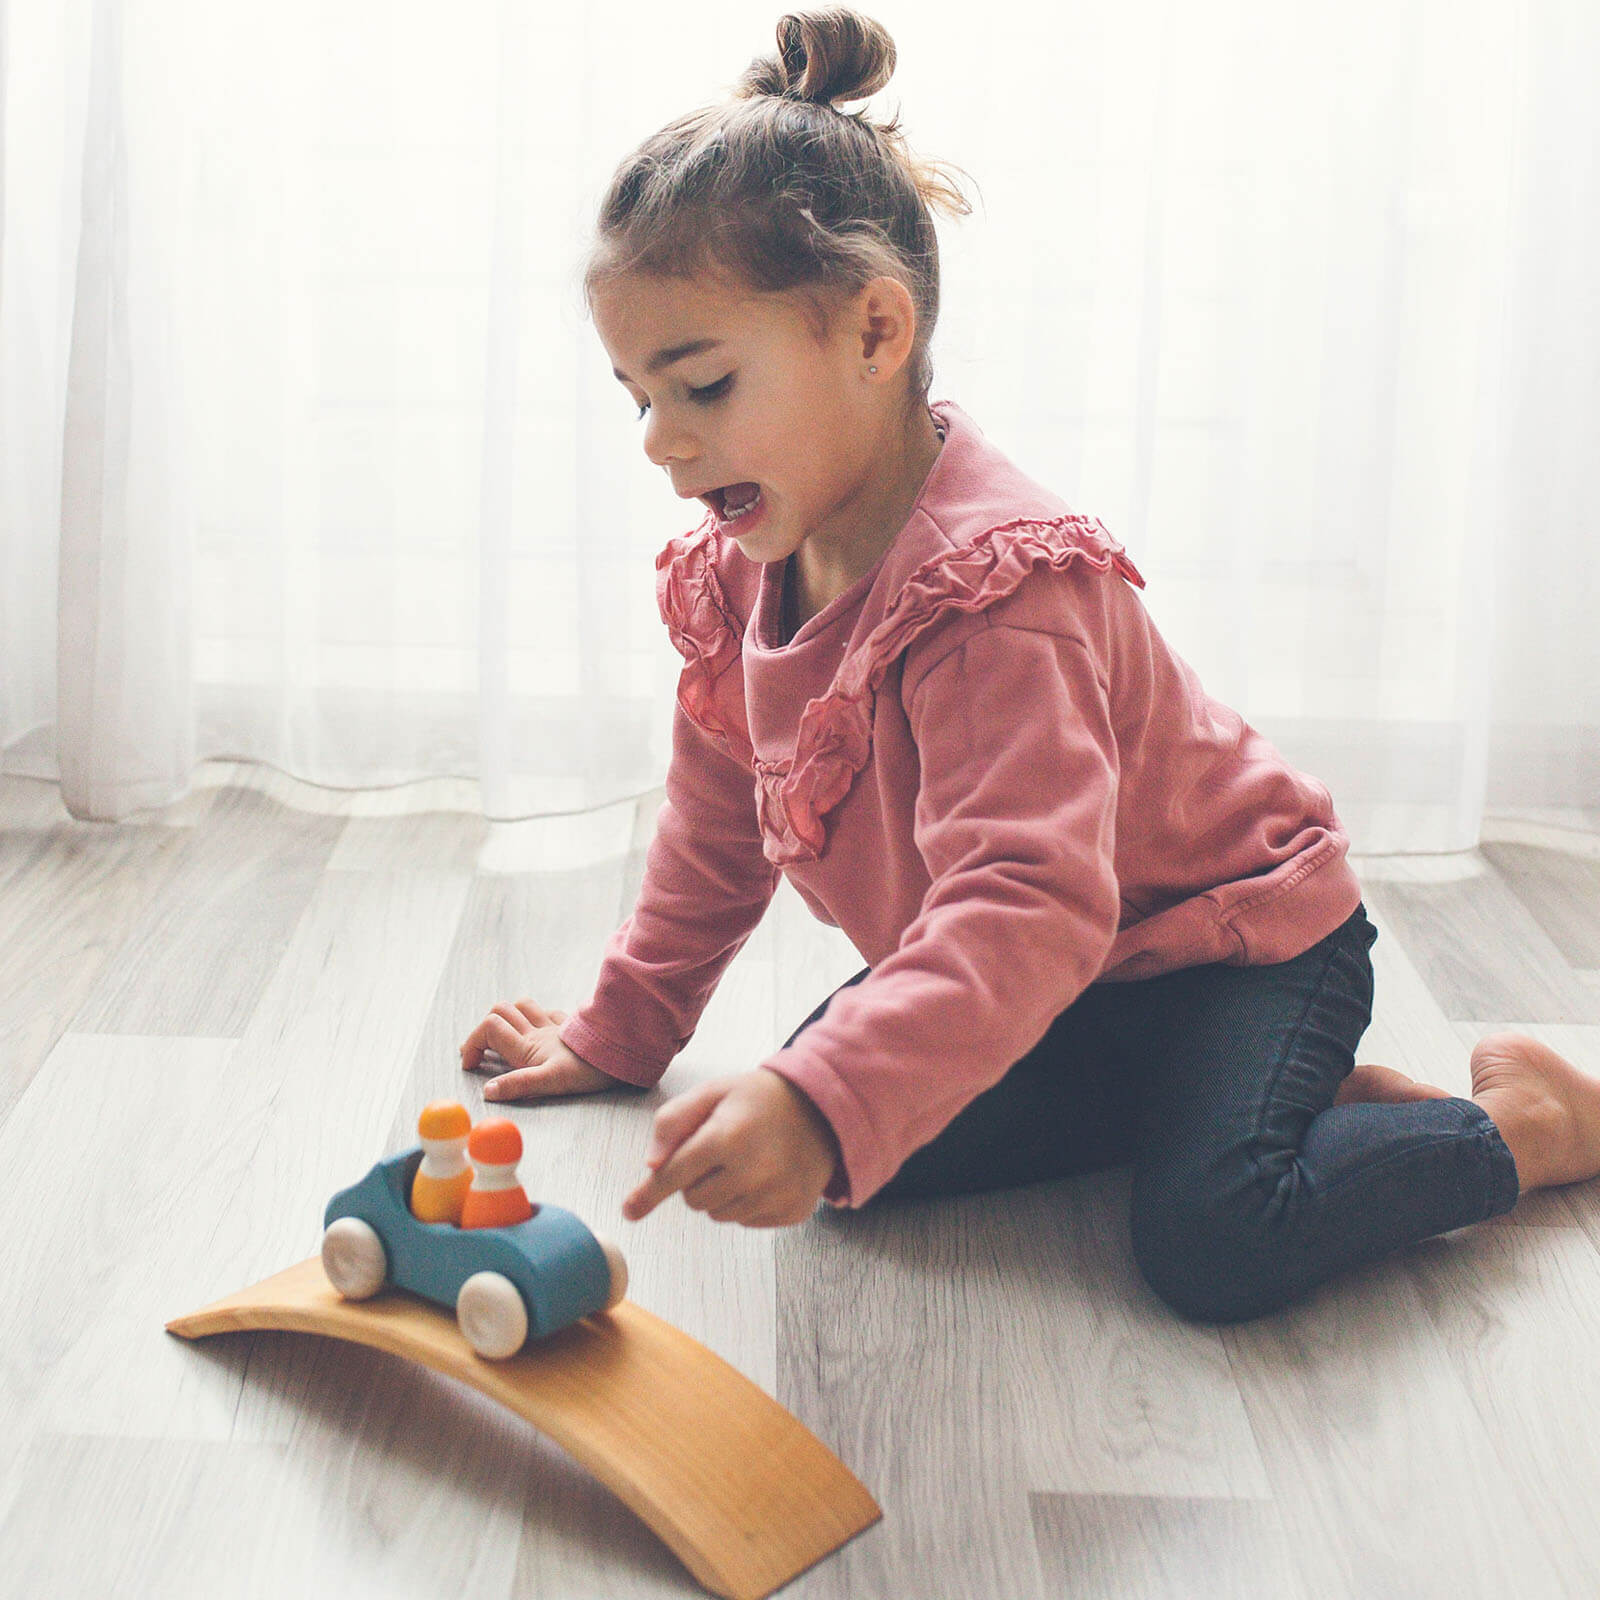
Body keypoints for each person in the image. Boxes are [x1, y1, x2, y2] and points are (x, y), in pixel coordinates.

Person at [458, 8, 1600, 1323]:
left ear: (877, 334)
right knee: (849, 1154)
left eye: (703, 385)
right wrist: (623, 1035)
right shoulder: (738, 575)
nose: (661, 440)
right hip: (1066, 978)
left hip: (1234, 946)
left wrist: (827, 1099)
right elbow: (720, 831)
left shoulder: (997, 599)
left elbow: (1027, 904)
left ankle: (1525, 1129)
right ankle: (1252, 1105)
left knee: (1214, 1240)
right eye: (636, 395)